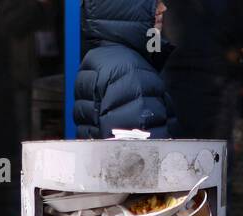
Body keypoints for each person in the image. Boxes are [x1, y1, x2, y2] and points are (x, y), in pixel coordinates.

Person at [73, 0, 176, 138]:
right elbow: (135, 156)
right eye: (154, 2)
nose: (163, 8)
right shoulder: (130, 72)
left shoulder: (104, 58)